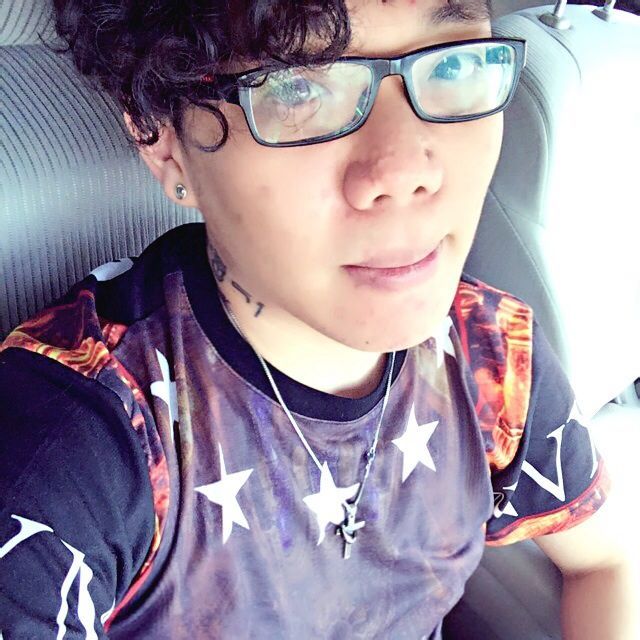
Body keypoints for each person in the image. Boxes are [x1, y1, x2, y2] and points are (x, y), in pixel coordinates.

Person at [0, 0, 636, 638]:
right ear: (162, 140)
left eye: (453, 65)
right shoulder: (75, 444)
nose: (407, 171)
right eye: (298, 88)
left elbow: (603, 562)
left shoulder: (489, 351)